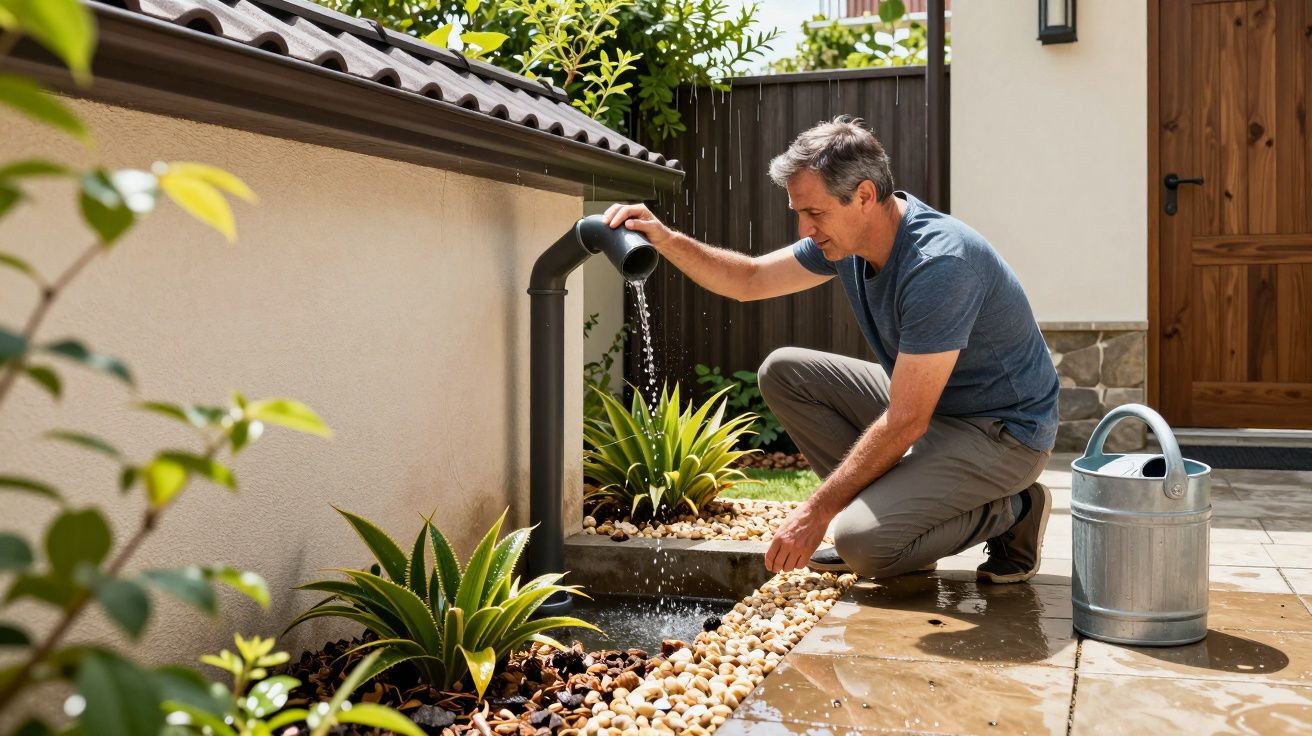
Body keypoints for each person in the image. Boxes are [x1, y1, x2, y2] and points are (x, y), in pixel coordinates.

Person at [603, 115, 1060, 584]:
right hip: (933, 406)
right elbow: (749, 279)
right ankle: (904, 529)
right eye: (799, 213)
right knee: (784, 372)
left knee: (861, 543)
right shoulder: (849, 241)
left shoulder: (940, 264)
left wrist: (816, 514)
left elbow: (907, 420)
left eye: (815, 213)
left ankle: (1016, 509)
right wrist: (666, 239)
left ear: (864, 196)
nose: (804, 229)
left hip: (1002, 432)